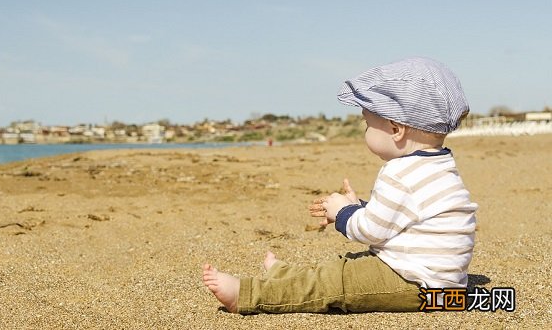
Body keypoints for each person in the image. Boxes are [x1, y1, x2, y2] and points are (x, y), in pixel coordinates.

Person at [202, 57, 478, 314]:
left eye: (368, 124)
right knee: (346, 265)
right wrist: (360, 207)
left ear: (396, 129)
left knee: (336, 281)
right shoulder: (439, 165)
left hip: (417, 285)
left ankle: (248, 294)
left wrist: (342, 214)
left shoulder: (399, 172)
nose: (365, 130)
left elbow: (371, 231)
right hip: (445, 288)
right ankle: (285, 275)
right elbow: (403, 218)